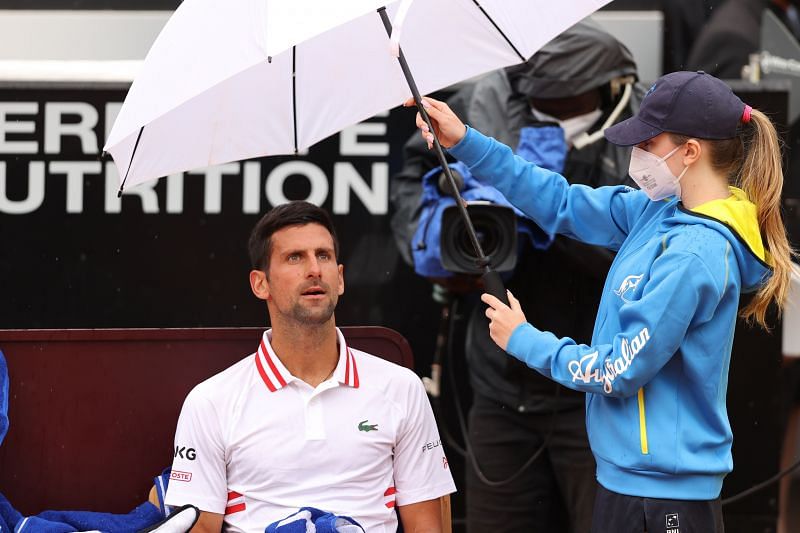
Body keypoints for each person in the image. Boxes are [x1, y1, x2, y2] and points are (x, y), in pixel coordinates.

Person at [409, 70, 794, 533]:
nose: (637, 154)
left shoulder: (694, 253)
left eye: (649, 143)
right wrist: (466, 141)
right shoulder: (660, 210)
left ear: (690, 152)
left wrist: (524, 340)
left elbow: (618, 370)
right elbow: (560, 202)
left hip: (662, 498)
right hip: (633, 487)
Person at [390, 21, 641, 533]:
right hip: (500, 387)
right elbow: (414, 186)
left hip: (596, 390)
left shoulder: (638, 136)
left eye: (564, 96)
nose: (545, 100)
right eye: (537, 94)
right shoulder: (481, 102)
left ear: (608, 86)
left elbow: (613, 234)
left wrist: (548, 222)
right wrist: (439, 242)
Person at [164, 201, 456, 533]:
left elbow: (428, 526)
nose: (314, 269)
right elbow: (201, 529)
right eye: (295, 257)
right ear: (261, 284)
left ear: (340, 278)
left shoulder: (401, 387)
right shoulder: (210, 401)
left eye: (323, 256)